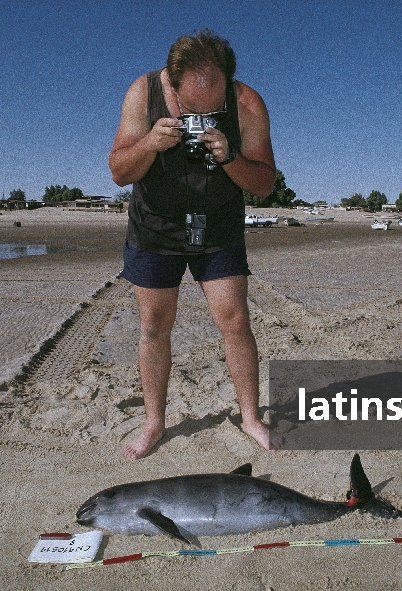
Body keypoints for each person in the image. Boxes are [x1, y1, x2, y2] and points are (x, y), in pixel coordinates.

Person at [109, 30, 284, 459]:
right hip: (156, 226)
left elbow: (264, 184)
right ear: (172, 81)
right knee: (153, 325)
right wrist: (150, 142)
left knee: (235, 320)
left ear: (227, 81)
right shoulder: (142, 91)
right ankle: (154, 424)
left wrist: (230, 157)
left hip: (218, 225)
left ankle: (250, 418)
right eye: (191, 110)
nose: (203, 119)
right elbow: (118, 171)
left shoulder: (246, 103)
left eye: (213, 110)